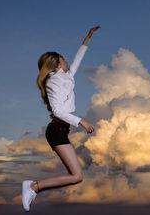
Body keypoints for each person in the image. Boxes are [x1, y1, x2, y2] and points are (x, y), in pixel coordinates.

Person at [22, 26, 100, 211]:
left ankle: (34, 186)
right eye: (63, 59)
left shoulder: (64, 77)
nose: (67, 61)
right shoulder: (54, 82)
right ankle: (33, 186)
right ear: (57, 64)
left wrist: (86, 39)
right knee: (77, 176)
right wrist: (81, 121)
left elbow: (77, 61)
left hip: (61, 130)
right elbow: (57, 111)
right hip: (56, 130)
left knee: (76, 176)